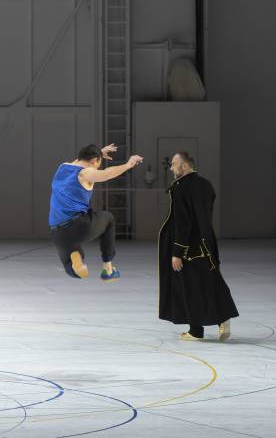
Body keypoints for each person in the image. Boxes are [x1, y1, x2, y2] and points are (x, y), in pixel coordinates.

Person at [158, 152, 238, 341]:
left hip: (187, 247)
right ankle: (222, 318)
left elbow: (183, 222)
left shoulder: (181, 188)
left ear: (184, 166)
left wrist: (177, 251)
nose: (171, 168)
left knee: (188, 286)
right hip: (206, 242)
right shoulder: (205, 184)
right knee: (210, 281)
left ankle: (196, 331)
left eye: (174, 164)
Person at [49, 144, 143, 280]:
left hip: (57, 232)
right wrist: (129, 164)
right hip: (79, 226)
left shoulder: (63, 166)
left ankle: (75, 264)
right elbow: (107, 173)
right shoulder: (86, 173)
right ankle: (108, 269)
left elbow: (79, 161)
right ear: (95, 161)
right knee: (109, 218)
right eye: (98, 163)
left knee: (72, 269)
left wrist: (99, 153)